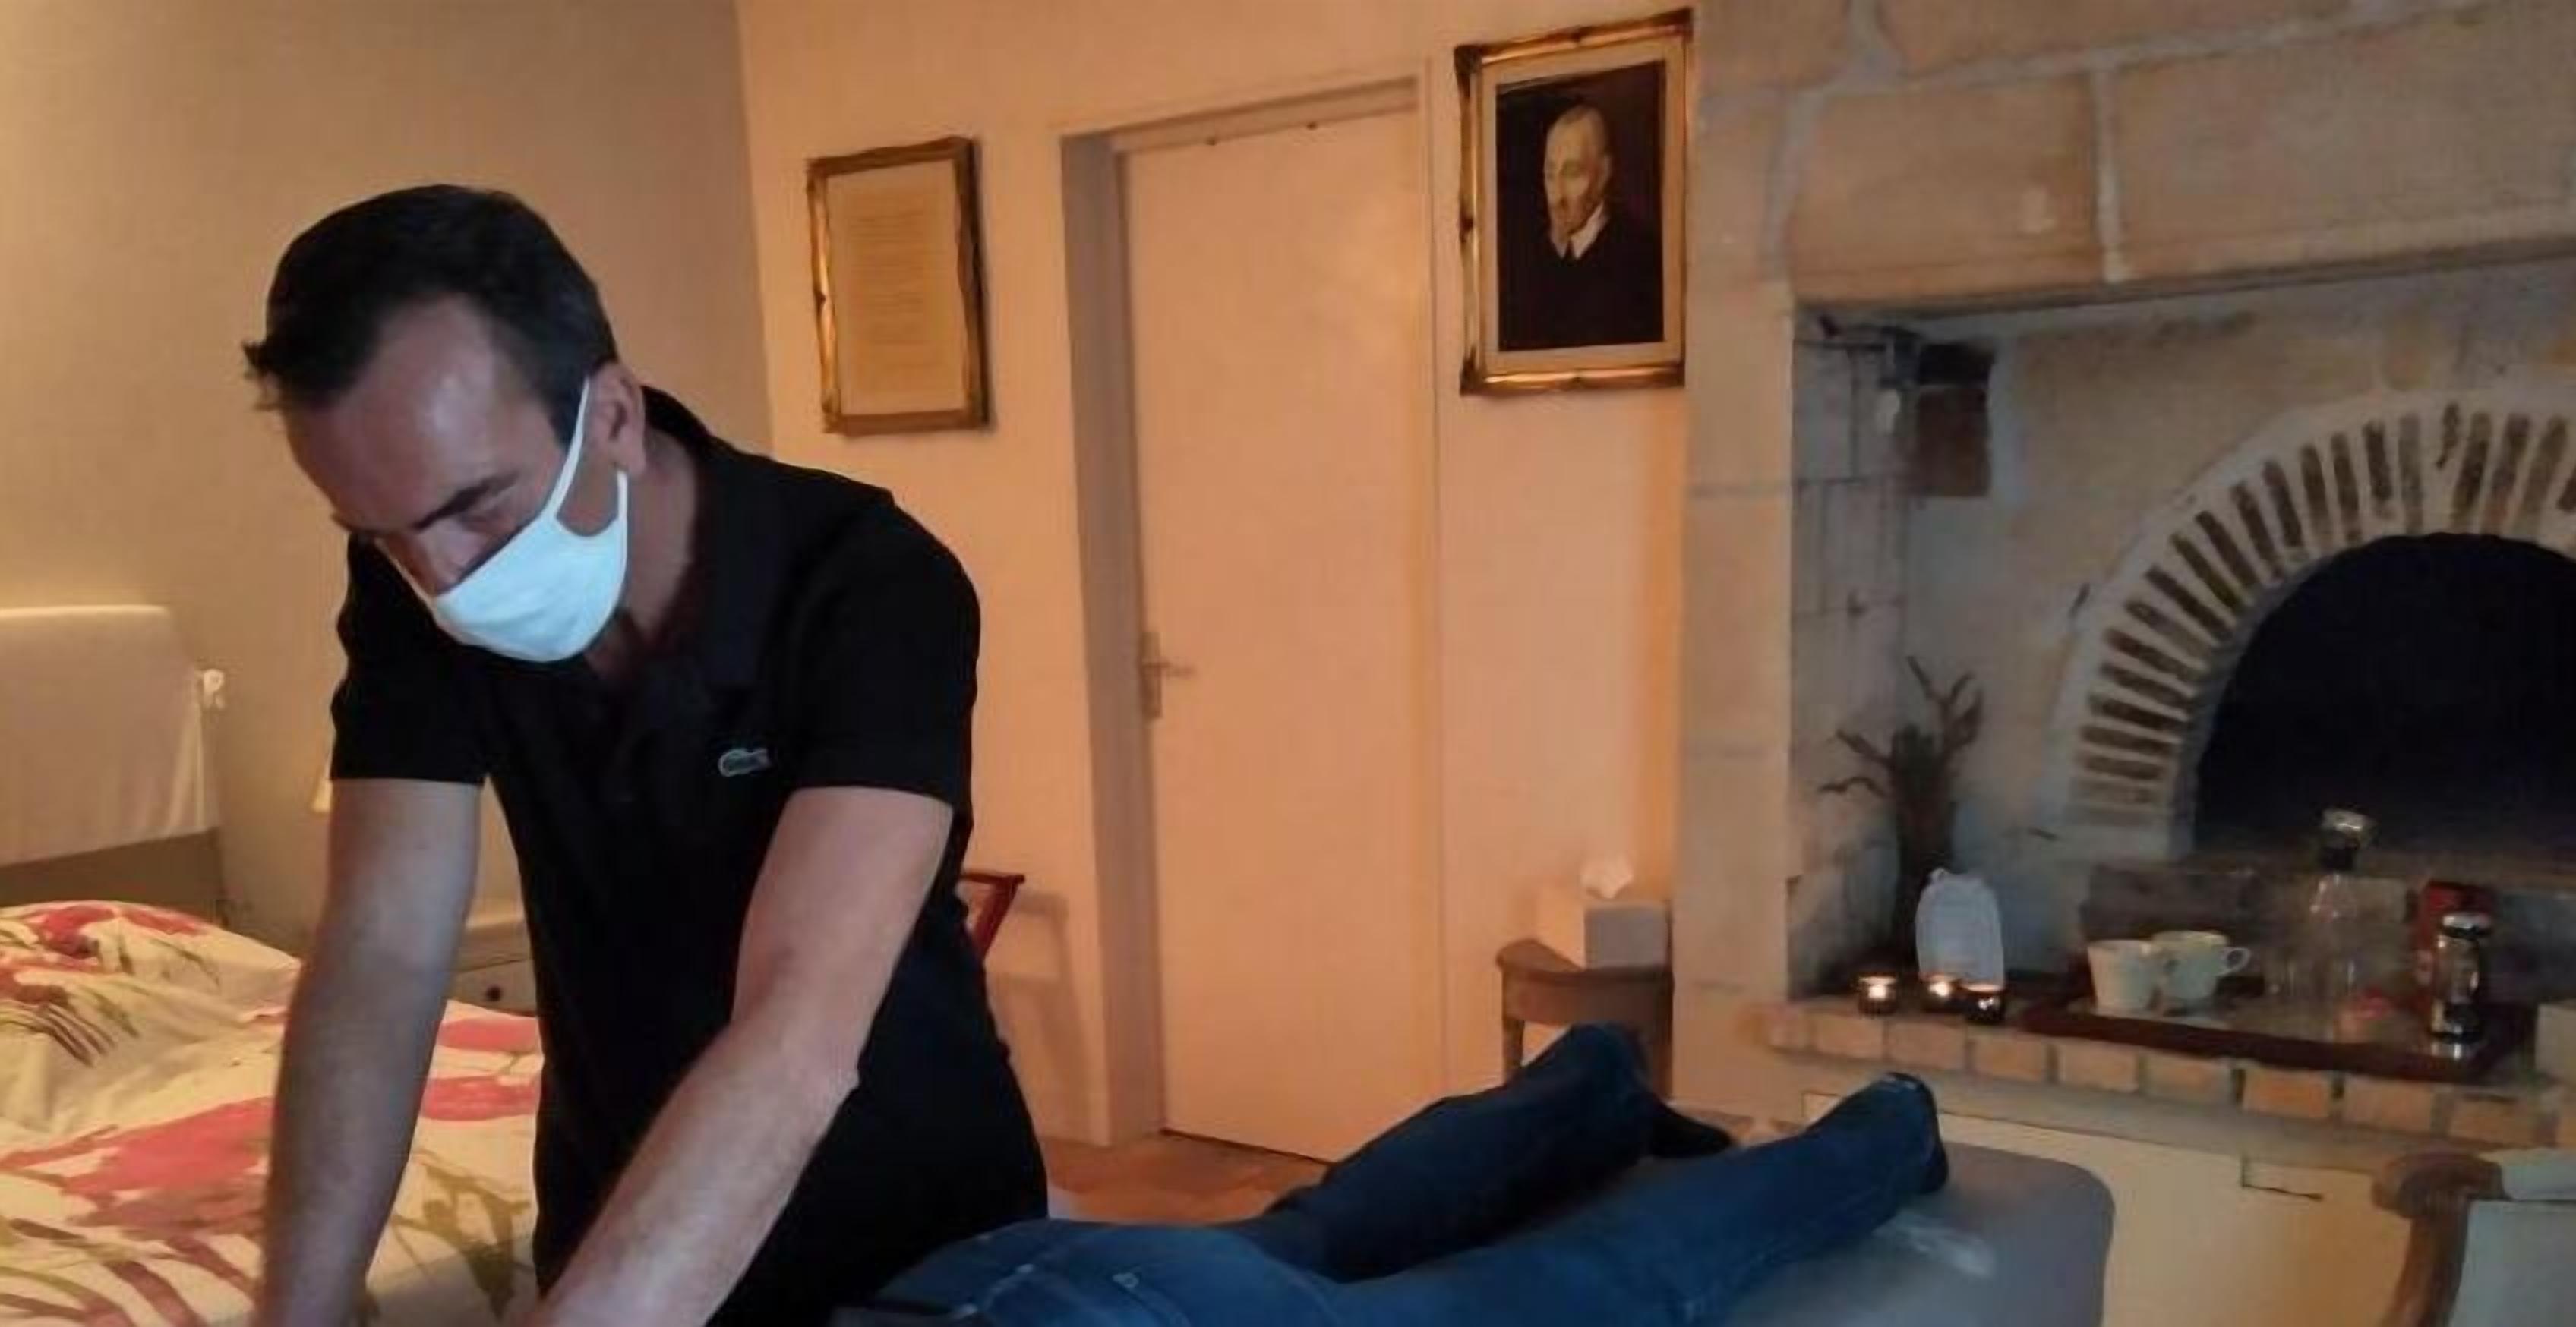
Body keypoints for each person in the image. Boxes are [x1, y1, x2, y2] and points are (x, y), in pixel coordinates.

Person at [245, 186, 1043, 1326]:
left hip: (915, 1228)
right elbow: (382, 954)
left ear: (612, 415)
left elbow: (798, 1024)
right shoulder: (413, 592)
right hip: (614, 1199)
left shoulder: (866, 582)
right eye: (384, 536)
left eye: (480, 507)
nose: (445, 579)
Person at [835, 1025, 1949, 1325]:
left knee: (1598, 1281)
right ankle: (1590, 1078)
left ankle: (1889, 1128)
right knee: (1324, 1228)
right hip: (983, 1278)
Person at [1499, 100, 1665, 351]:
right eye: (1550, 175)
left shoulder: (1641, 257)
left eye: (1572, 173)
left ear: (1603, 174)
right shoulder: (1526, 255)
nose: (1556, 197)